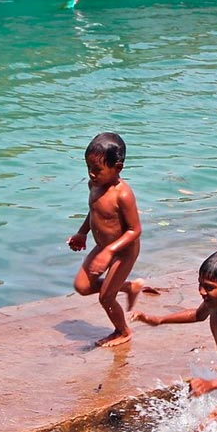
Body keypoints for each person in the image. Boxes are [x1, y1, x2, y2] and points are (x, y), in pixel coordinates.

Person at [131, 250, 217, 426]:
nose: (201, 292)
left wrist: (212, 384)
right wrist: (159, 320)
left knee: (207, 425)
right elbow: (197, 315)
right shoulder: (215, 302)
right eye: (200, 285)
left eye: (209, 287)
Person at [67, 132, 144, 347]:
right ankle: (128, 287)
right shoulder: (94, 186)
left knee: (105, 297)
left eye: (97, 170)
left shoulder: (123, 194)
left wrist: (110, 251)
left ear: (117, 167)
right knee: (82, 285)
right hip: (103, 246)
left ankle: (123, 331)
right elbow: (94, 212)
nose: (91, 174)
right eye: (88, 168)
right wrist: (82, 233)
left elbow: (135, 230)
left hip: (124, 251)